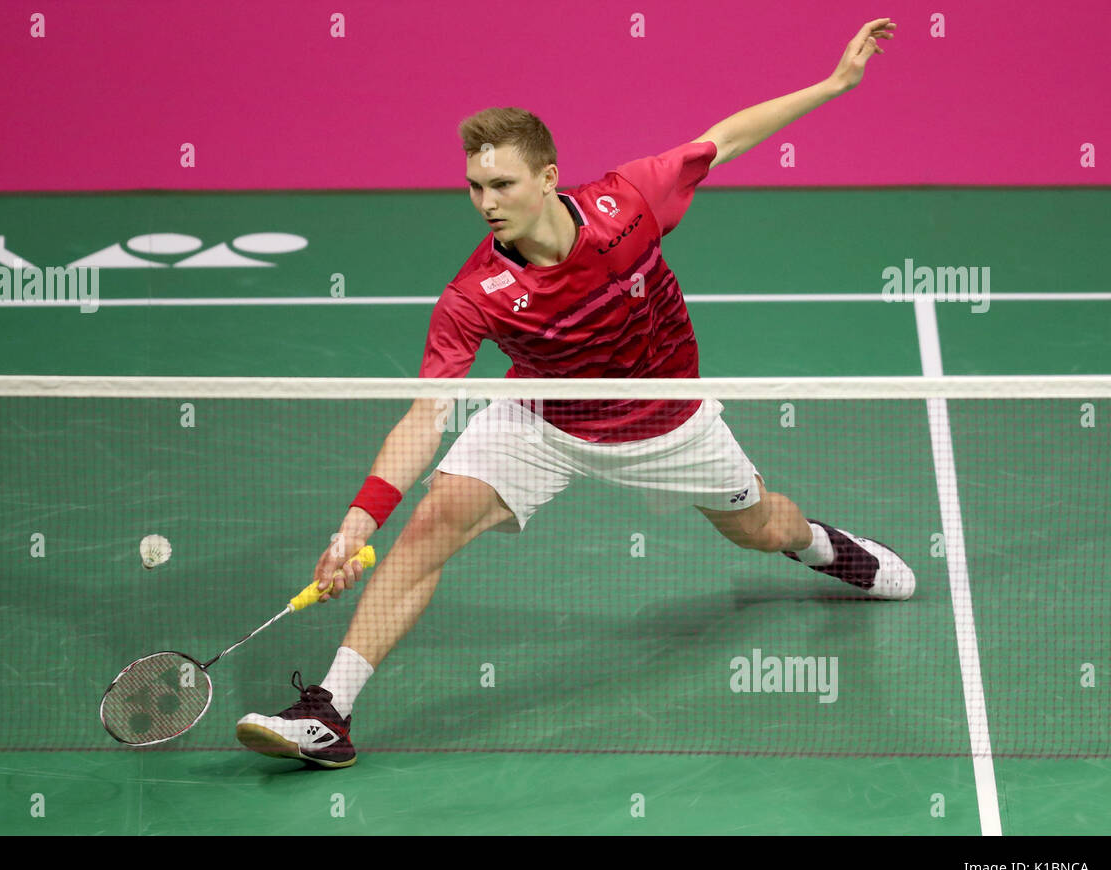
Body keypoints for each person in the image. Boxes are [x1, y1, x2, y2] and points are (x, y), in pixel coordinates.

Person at [238, 19, 910, 769]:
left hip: (667, 425)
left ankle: (822, 547)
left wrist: (833, 84)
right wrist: (358, 523)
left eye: (502, 184)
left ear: (549, 176)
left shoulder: (627, 205)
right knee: (430, 527)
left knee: (762, 527)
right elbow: (426, 414)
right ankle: (330, 712)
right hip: (542, 419)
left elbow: (724, 140)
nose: (486, 202)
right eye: (474, 186)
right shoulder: (476, 295)